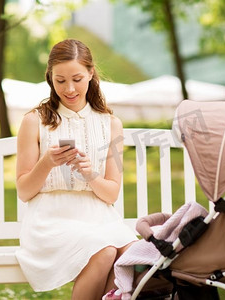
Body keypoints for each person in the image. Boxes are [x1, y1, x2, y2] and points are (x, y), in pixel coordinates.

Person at [15, 39, 138, 300]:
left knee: (132, 255)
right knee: (103, 251)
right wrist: (47, 162)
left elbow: (112, 194)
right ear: (50, 78)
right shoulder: (33, 121)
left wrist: (90, 174)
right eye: (60, 81)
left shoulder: (111, 124)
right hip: (50, 219)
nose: (69, 89)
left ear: (91, 73)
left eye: (77, 79)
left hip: (98, 216)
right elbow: (24, 191)